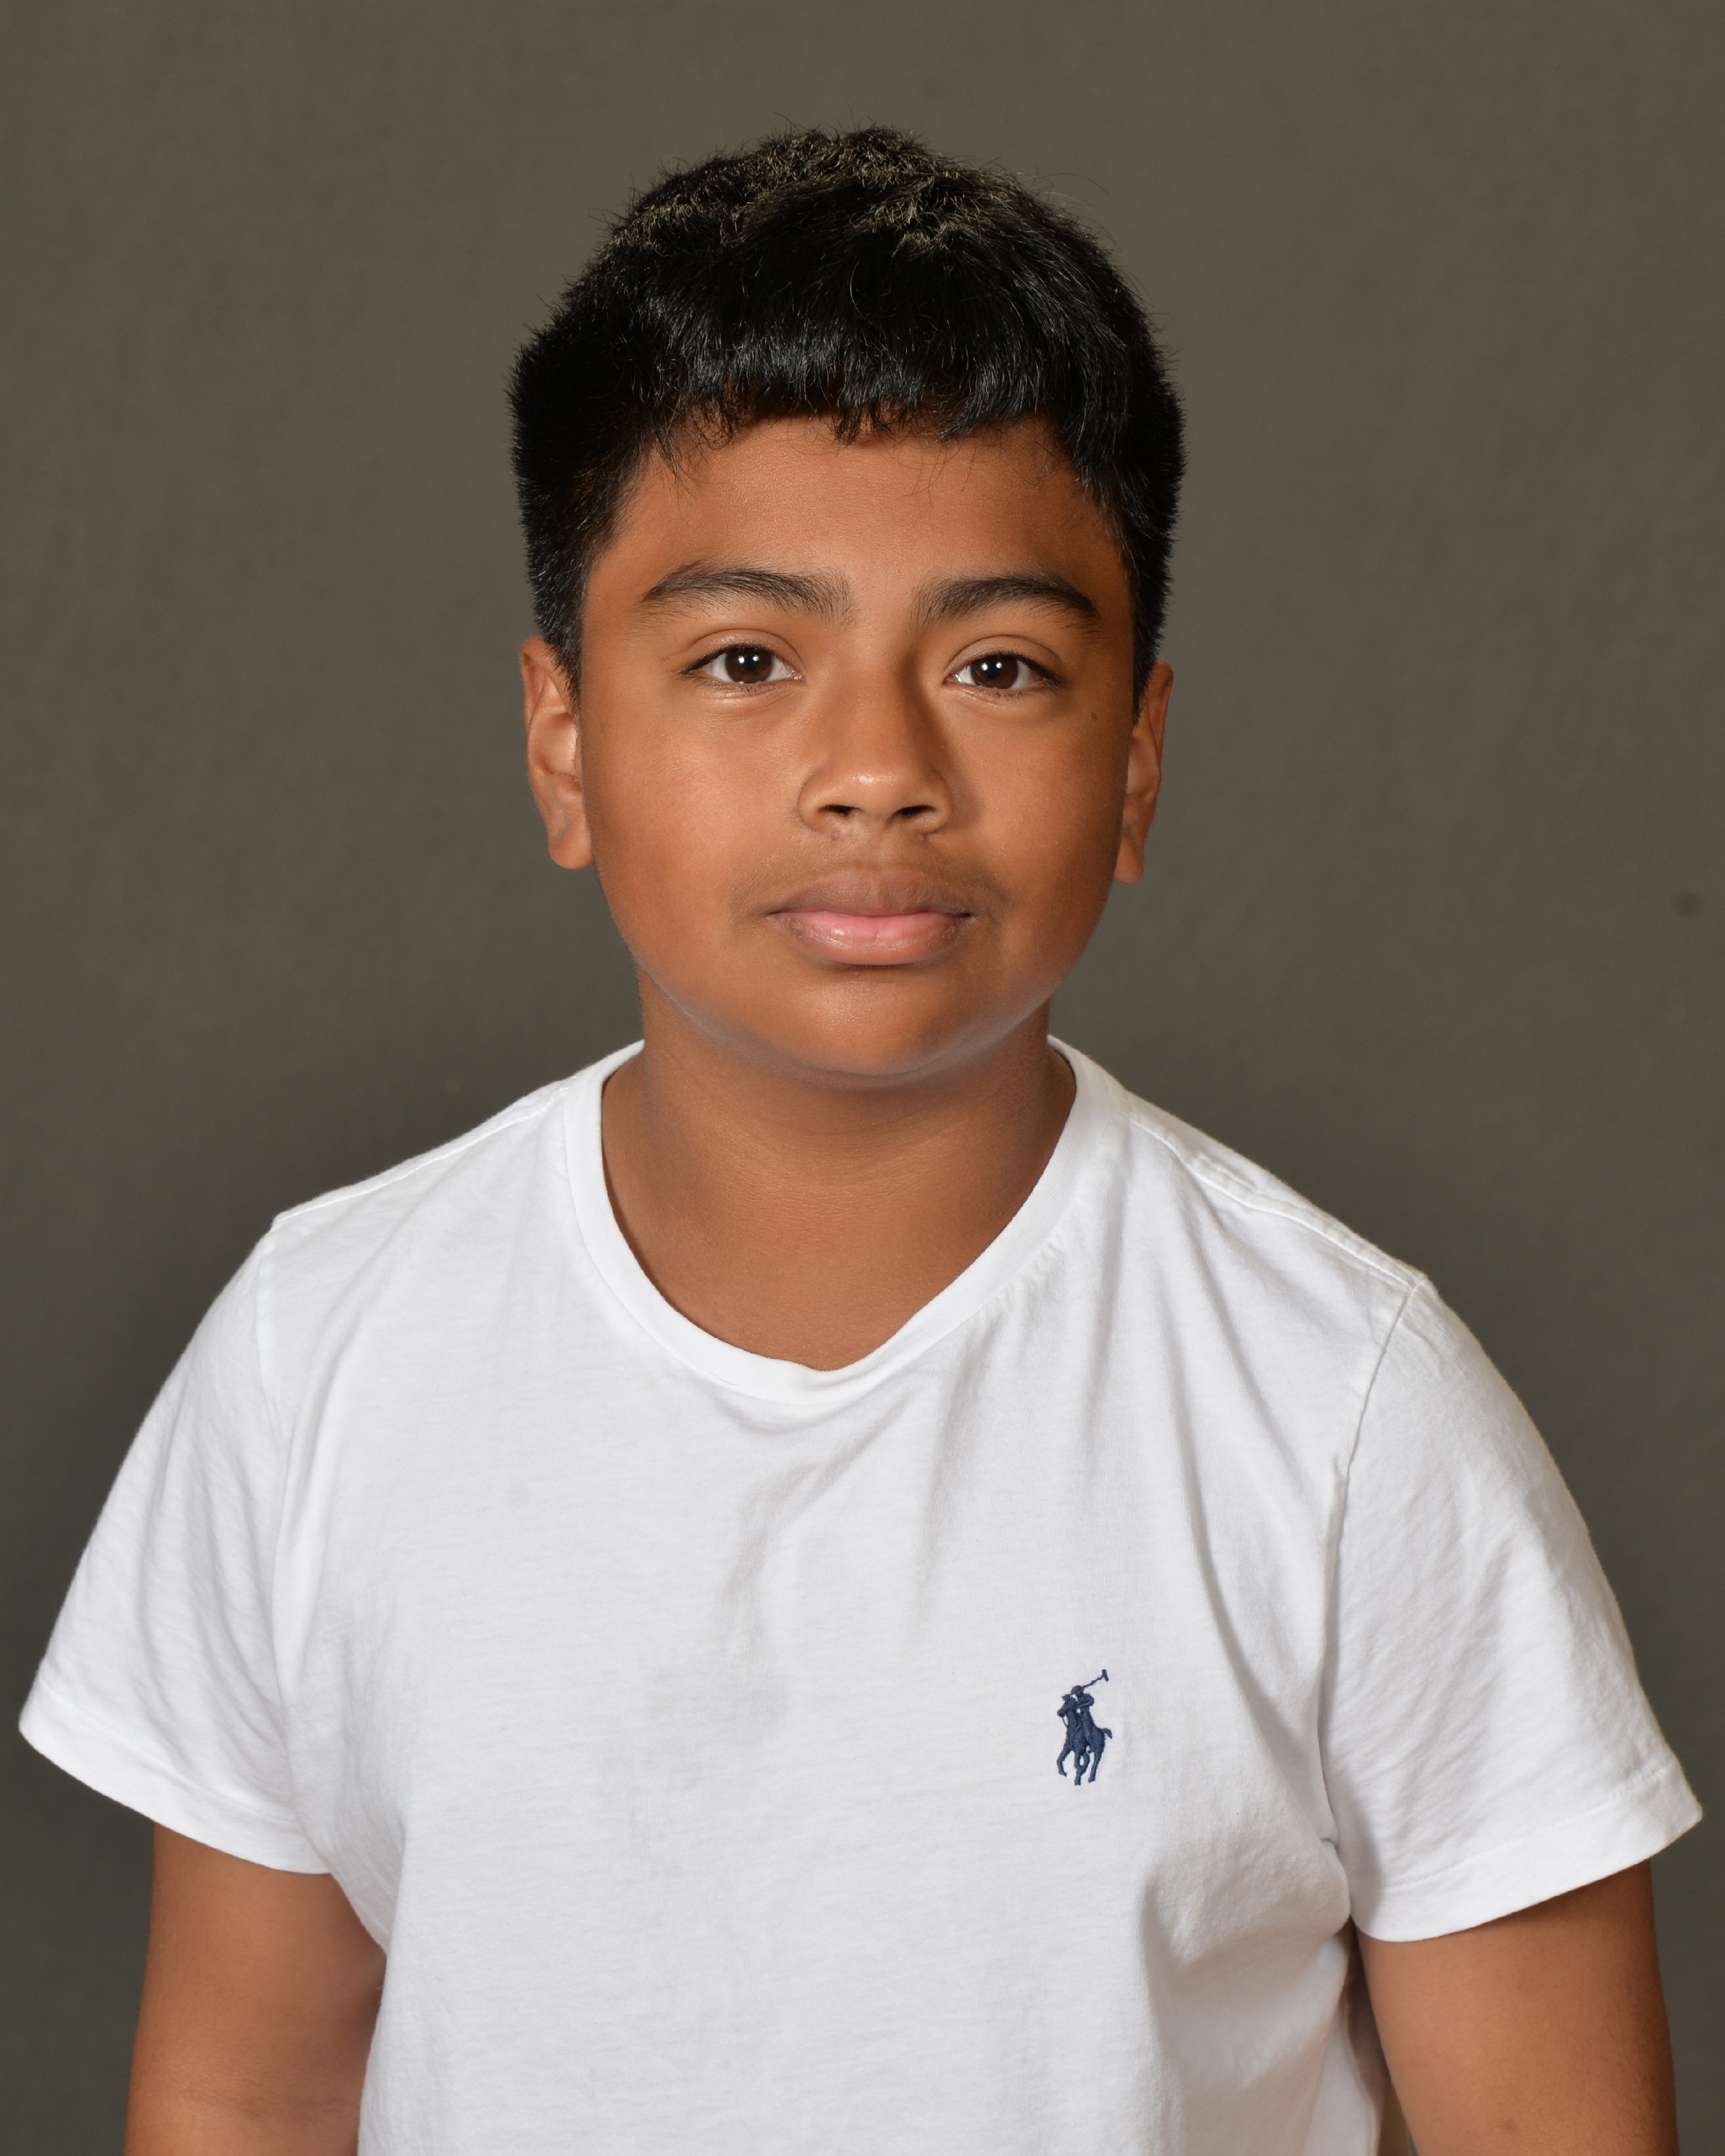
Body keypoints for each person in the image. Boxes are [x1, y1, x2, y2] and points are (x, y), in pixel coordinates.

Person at [22, 126, 1698, 2156]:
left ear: (1139, 761)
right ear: (563, 739)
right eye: (747, 660)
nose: (878, 771)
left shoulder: (1346, 1413)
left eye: (998, 667)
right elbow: (245, 2088)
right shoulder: (321, 1354)